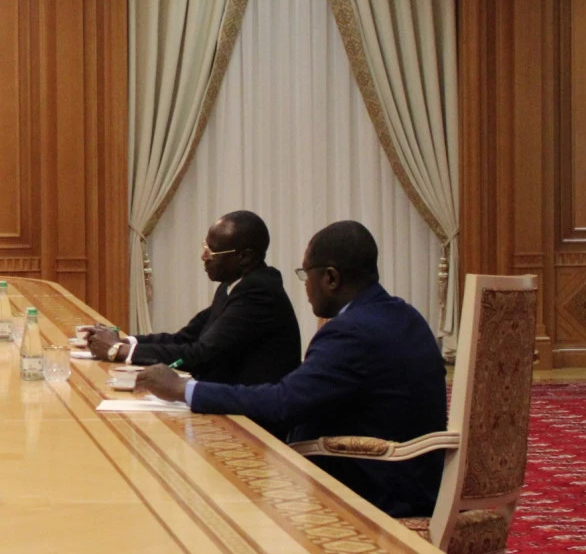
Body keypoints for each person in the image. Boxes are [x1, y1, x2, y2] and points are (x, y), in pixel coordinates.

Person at [137, 220, 447, 519]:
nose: (306, 286)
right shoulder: (405, 315)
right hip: (413, 481)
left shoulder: (351, 332)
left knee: (212, 491)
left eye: (305, 275)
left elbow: (283, 403)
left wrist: (184, 389)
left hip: (375, 491)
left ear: (331, 278)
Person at [83, 210, 301, 387]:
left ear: (244, 257)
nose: (203, 257)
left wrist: (119, 351)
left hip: (250, 416)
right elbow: (185, 338)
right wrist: (125, 341)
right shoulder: (232, 285)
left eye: (212, 252)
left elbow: (201, 355)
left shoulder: (259, 293)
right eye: (205, 247)